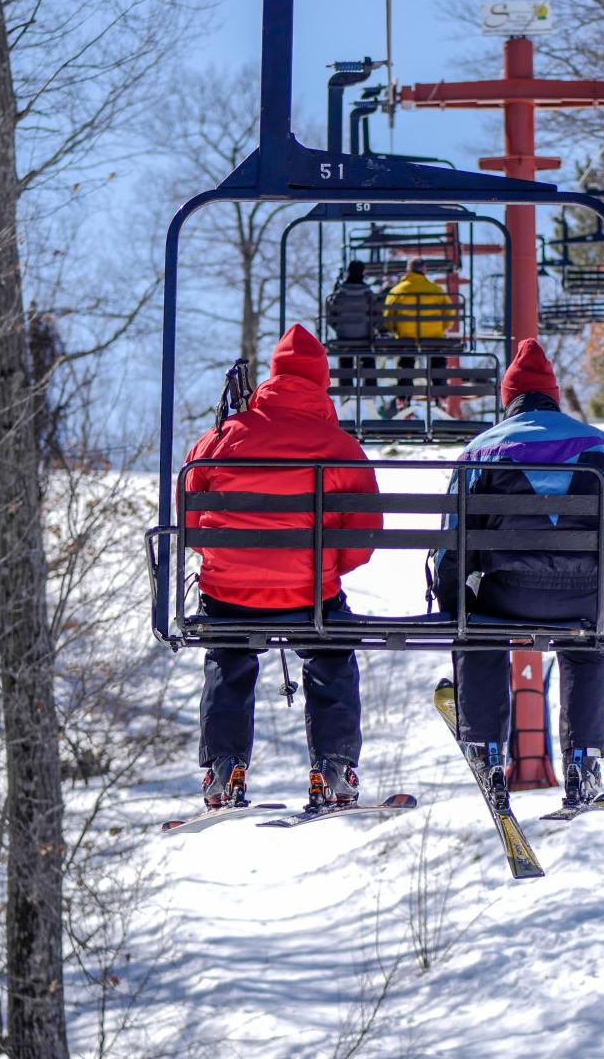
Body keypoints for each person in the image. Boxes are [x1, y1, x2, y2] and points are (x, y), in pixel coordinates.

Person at [182, 323, 381, 809]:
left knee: (229, 658)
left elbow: (189, 519)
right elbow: (365, 534)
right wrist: (327, 569)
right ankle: (333, 766)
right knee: (330, 654)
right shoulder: (338, 447)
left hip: (228, 597)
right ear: (321, 383)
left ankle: (224, 770)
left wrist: (223, 560)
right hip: (309, 597)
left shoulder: (224, 435)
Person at [431, 338, 604, 808]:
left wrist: (456, 603)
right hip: (582, 596)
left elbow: (456, 540)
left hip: (508, 594)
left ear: (508, 398)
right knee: (589, 644)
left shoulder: (483, 449)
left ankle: (488, 749)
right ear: (552, 395)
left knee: (479, 633)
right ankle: (583, 759)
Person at [383, 257, 455, 403]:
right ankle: (440, 393)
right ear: (425, 270)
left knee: (406, 359)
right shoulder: (436, 289)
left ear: (408, 270)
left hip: (407, 338)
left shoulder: (397, 290)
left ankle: (404, 396)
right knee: (437, 357)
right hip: (433, 337)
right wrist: (443, 328)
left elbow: (388, 319)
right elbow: (449, 317)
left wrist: (397, 330)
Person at [325, 260, 378, 391]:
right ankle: (370, 387)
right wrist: (372, 329)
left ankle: (346, 388)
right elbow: (376, 315)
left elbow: (331, 317)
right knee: (368, 356)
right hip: (365, 337)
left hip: (344, 337)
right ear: (363, 273)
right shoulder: (368, 294)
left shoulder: (339, 294)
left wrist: (339, 329)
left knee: (345, 357)